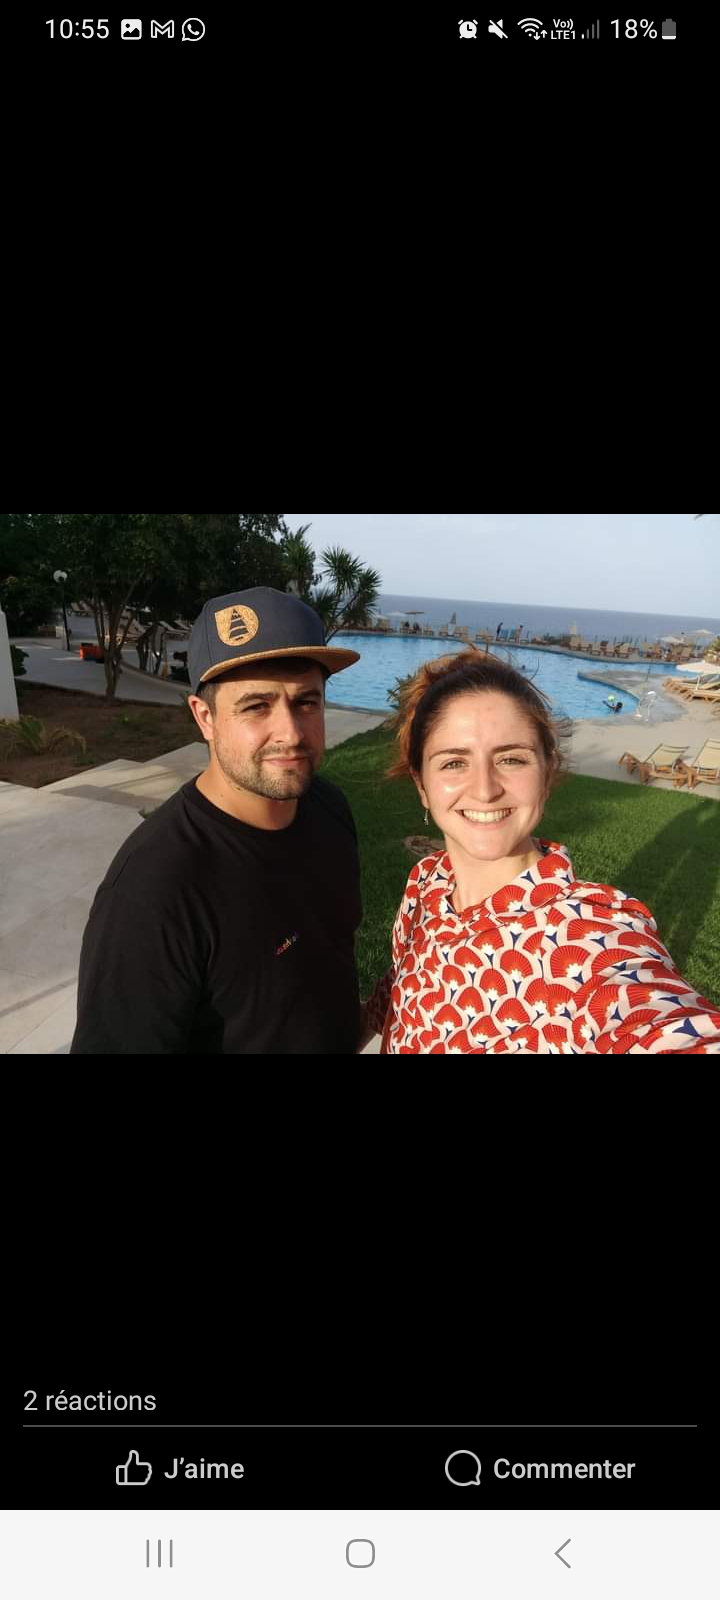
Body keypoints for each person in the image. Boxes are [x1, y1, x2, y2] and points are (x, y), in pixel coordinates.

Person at [360, 651, 720, 1054]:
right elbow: (399, 993)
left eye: (511, 759)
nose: (485, 789)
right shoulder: (427, 883)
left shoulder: (589, 940)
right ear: (422, 786)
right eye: (454, 763)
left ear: (547, 774)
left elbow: (653, 1017)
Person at [70, 587, 363, 1055]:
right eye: (256, 706)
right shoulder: (153, 893)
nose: (290, 733)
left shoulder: (329, 807)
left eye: (307, 702)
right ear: (204, 717)